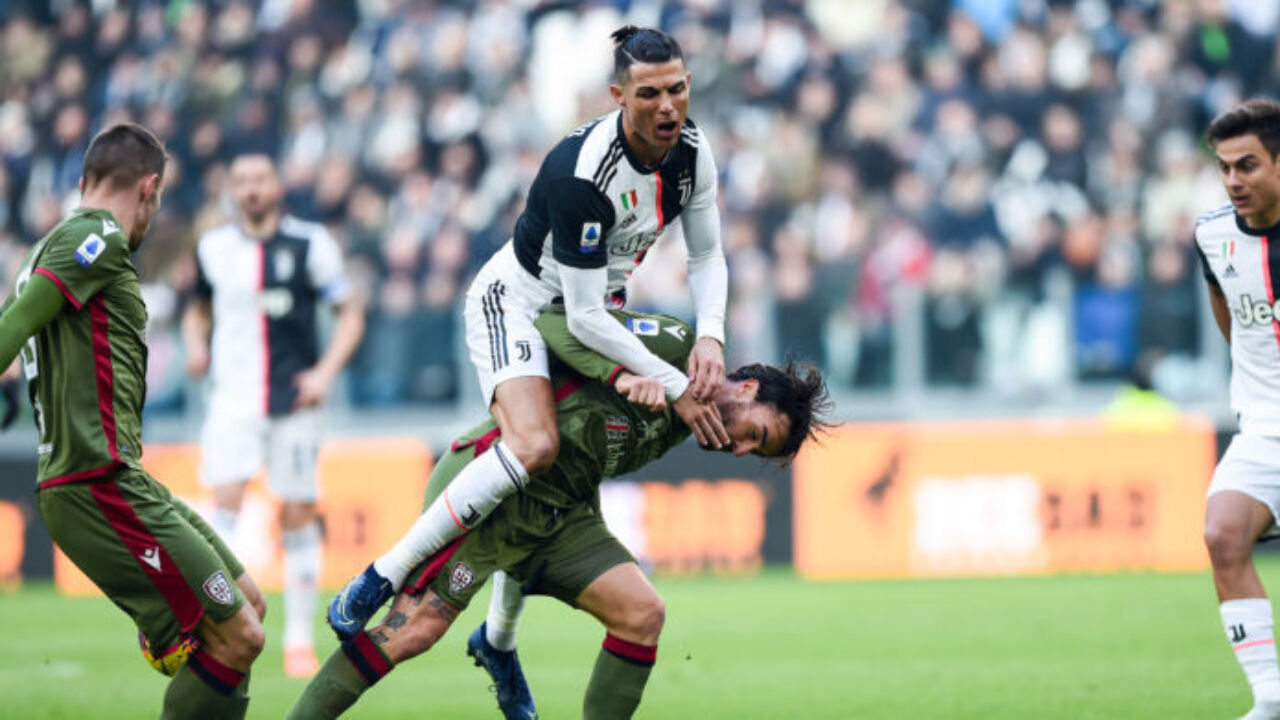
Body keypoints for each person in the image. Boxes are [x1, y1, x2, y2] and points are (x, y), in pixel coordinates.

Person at [329, 24, 733, 634]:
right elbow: (581, 317)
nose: (667, 106)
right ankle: (384, 572)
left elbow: (706, 255)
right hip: (520, 305)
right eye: (649, 93)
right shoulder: (583, 174)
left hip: (593, 310)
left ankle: (498, 637)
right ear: (618, 96)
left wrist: (711, 335)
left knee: (573, 464)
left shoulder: (694, 153)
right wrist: (673, 384)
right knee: (536, 446)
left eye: (676, 89)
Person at [289, 308, 830, 719]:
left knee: (643, 613)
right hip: (492, 493)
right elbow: (555, 323)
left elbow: (587, 459)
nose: (739, 449)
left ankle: (497, 642)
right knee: (412, 632)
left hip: (557, 517)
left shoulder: (683, 425)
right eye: (754, 434)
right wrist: (617, 373)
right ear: (748, 388)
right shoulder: (676, 347)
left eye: (753, 452)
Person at [0, 124, 264, 717]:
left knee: (249, 604)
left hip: (121, 478)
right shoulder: (95, 236)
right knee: (238, 635)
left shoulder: (44, 248)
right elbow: (12, 328)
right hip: (94, 484)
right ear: (149, 188)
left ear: (83, 180)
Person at [181, 151, 365, 677]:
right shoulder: (213, 248)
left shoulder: (311, 243)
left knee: (298, 513)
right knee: (224, 509)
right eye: (241, 180)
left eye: (260, 178)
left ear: (277, 185)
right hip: (232, 399)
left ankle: (299, 639)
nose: (251, 189)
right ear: (232, 189)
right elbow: (197, 310)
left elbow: (350, 313)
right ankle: (224, 628)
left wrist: (324, 374)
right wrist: (195, 345)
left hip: (293, 401)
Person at [1199, 98, 1280, 720]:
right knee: (1222, 533)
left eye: (1247, 165)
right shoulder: (1212, 235)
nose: (1233, 180)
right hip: (1266, 428)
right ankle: (1271, 699)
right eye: (1224, 167)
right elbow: (1231, 320)